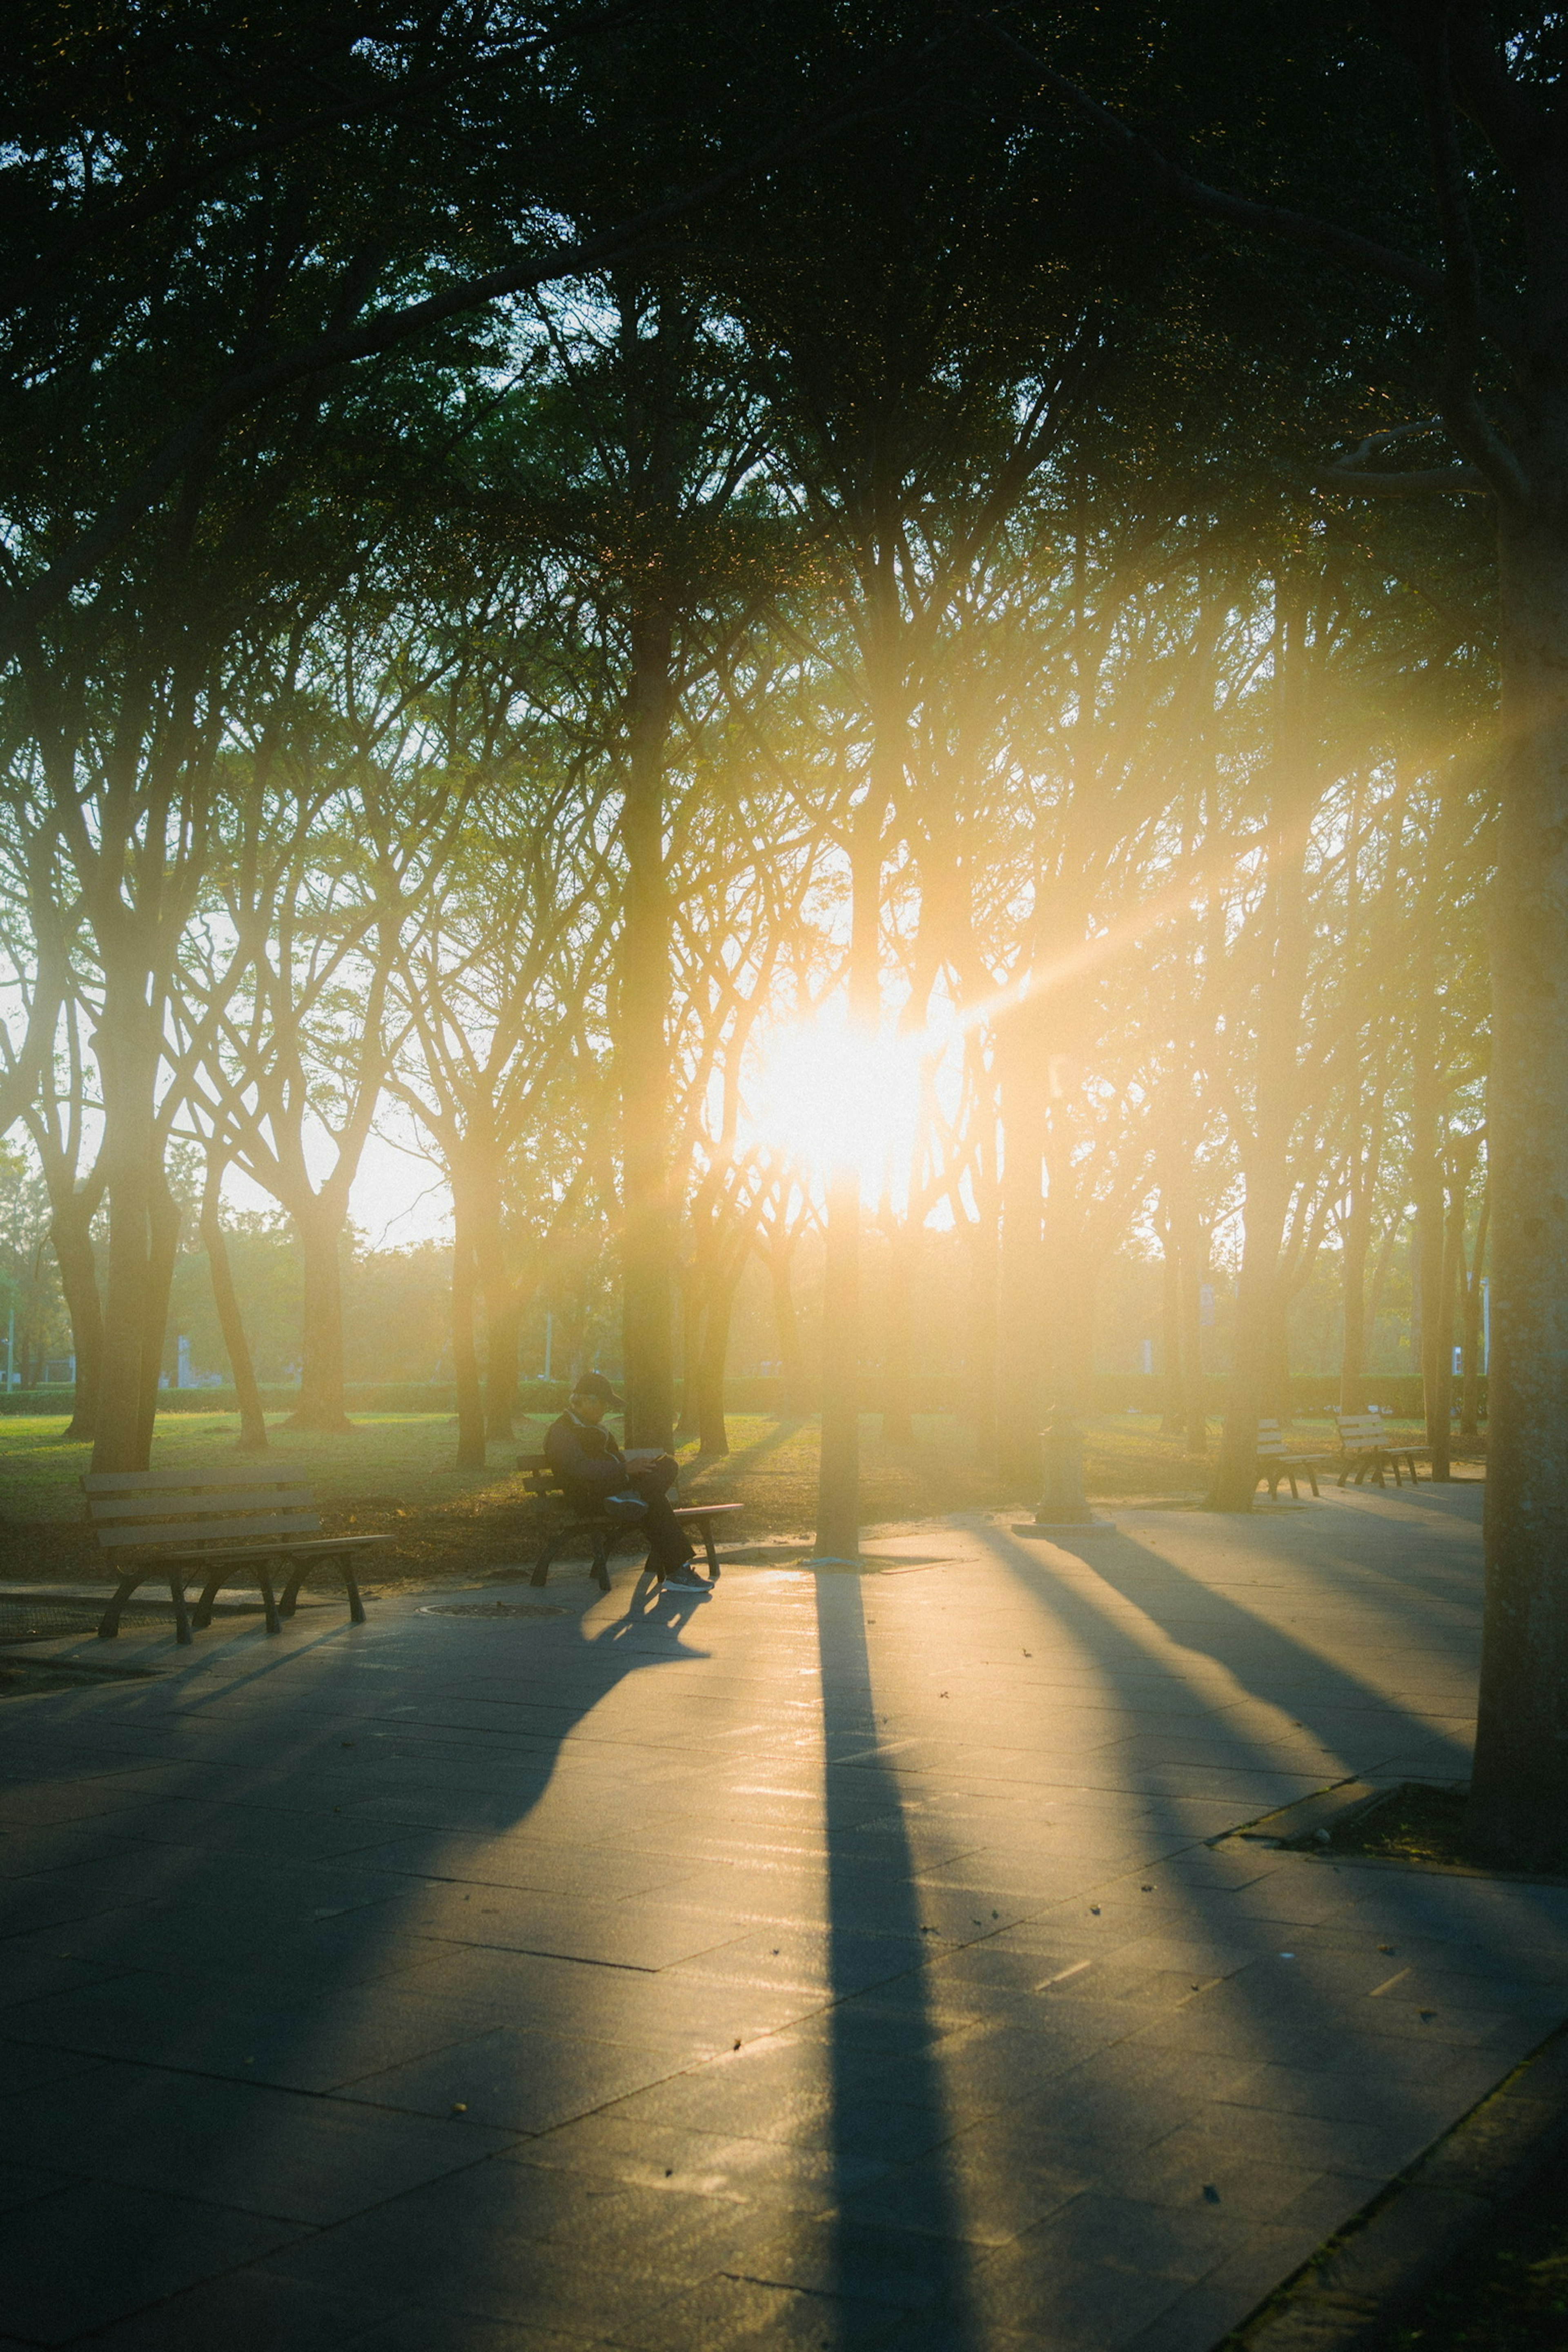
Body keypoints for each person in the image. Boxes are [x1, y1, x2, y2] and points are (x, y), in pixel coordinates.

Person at [543, 1372, 711, 1595]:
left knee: (667, 1465)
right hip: (590, 1496)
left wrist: (634, 1467)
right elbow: (579, 1468)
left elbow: (615, 1459)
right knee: (655, 1501)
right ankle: (678, 1571)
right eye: (603, 1404)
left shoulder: (599, 1429)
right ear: (582, 1401)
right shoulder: (561, 1431)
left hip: (616, 1490)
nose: (605, 1410)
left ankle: (633, 1498)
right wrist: (624, 1469)